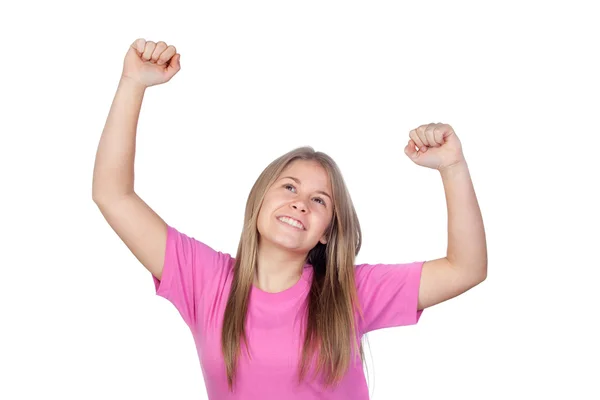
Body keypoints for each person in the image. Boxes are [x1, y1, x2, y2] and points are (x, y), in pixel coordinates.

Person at [92, 38, 488, 400]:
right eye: (289, 188)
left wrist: (452, 167)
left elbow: (465, 269)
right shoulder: (206, 280)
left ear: (326, 234)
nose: (301, 204)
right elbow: (113, 195)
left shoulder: (347, 292)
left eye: (319, 200)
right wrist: (132, 82)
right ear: (259, 200)